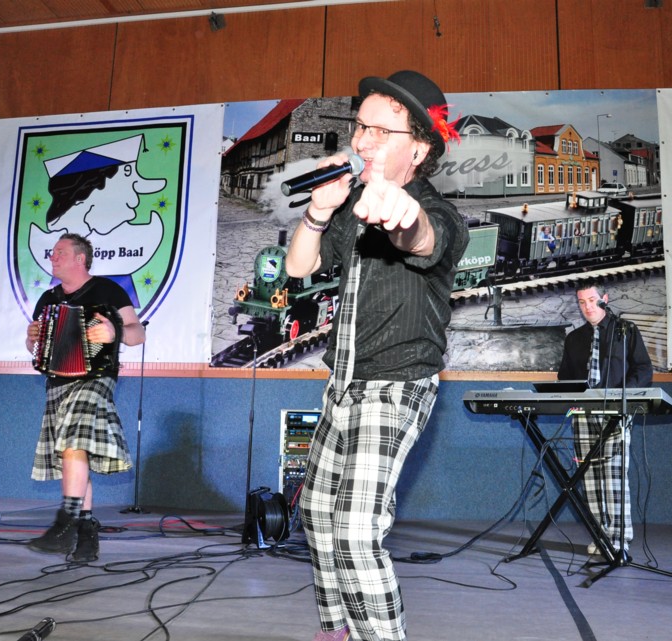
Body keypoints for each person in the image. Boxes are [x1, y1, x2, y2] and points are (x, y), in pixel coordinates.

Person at [285, 70, 469, 641]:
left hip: (395, 386)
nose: (361, 141)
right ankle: (337, 629)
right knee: (316, 515)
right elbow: (297, 268)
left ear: (419, 147)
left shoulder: (439, 212)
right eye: (360, 127)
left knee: (355, 531)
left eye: (379, 131)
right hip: (342, 385)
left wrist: (403, 216)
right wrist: (319, 211)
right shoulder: (351, 206)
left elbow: (422, 237)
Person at [24, 232, 145, 562]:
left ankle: (65, 523)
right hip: (57, 381)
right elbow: (34, 345)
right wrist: (31, 336)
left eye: (60, 252)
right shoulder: (48, 299)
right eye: (52, 253)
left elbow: (137, 333)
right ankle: (86, 533)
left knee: (74, 442)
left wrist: (114, 332)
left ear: (80, 258)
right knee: (73, 452)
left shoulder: (108, 290)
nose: (53, 257)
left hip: (96, 377)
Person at [557, 282, 652, 556]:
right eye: (582, 302)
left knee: (613, 478)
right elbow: (564, 378)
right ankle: (601, 536)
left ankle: (619, 539)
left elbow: (643, 369)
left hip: (615, 413)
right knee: (590, 478)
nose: (587, 306)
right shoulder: (574, 339)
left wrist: (624, 396)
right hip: (583, 414)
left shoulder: (625, 330)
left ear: (605, 299)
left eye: (591, 300)